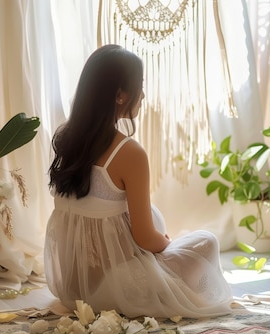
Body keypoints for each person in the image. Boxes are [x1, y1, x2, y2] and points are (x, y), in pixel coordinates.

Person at [45, 44, 232, 318]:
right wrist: (165, 244)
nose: (143, 95)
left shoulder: (66, 138)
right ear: (120, 96)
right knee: (207, 242)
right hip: (116, 290)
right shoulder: (129, 152)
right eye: (139, 86)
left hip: (74, 289)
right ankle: (177, 289)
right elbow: (144, 237)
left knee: (164, 238)